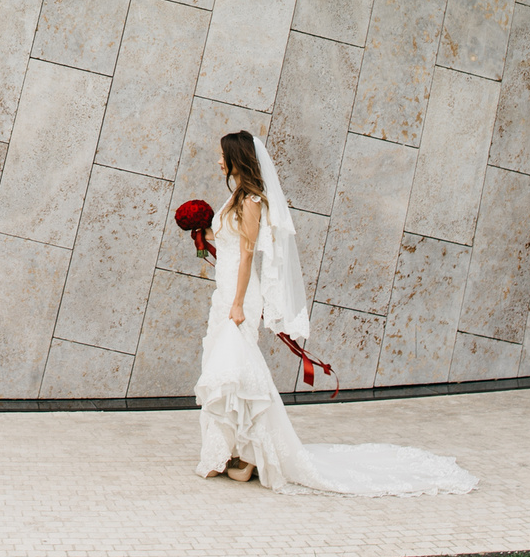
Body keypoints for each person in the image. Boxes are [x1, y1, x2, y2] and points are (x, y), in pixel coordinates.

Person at [193, 129, 476, 496]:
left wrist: (237, 302)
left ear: (236, 158)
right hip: (225, 290)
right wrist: (202, 232)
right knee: (223, 367)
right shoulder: (236, 197)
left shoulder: (251, 202)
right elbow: (229, 241)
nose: (218, 161)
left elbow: (248, 254)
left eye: (222, 155)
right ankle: (235, 450)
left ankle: (250, 455)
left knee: (237, 369)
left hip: (239, 293)